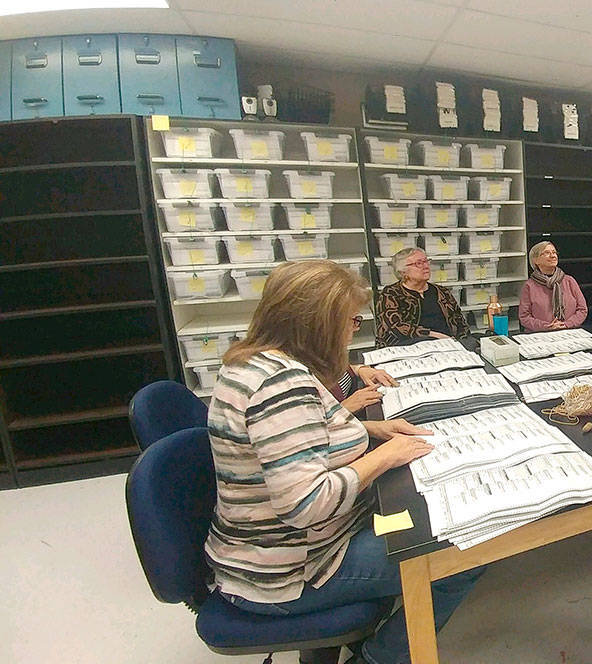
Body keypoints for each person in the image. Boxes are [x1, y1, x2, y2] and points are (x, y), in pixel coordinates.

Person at [205, 260, 483, 664]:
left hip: (277, 550)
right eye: (351, 320)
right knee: (462, 554)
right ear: (318, 323)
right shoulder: (280, 384)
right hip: (290, 571)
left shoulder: (263, 362)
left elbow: (315, 428)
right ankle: (378, 659)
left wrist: (374, 431)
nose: (354, 330)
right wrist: (385, 457)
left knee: (421, 516)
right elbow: (305, 504)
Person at [375, 247, 469, 347]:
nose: (426, 266)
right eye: (418, 263)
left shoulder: (442, 291)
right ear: (403, 272)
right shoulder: (390, 294)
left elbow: (460, 322)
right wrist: (432, 335)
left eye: (426, 261)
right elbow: (395, 327)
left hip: (446, 347)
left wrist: (462, 343)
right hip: (406, 348)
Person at [519, 240, 588, 332]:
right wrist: (547, 326)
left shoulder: (569, 281)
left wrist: (566, 324)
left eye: (554, 252)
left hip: (570, 332)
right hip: (541, 335)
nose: (553, 256)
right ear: (536, 260)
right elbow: (524, 317)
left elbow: (582, 310)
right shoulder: (529, 286)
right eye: (547, 253)